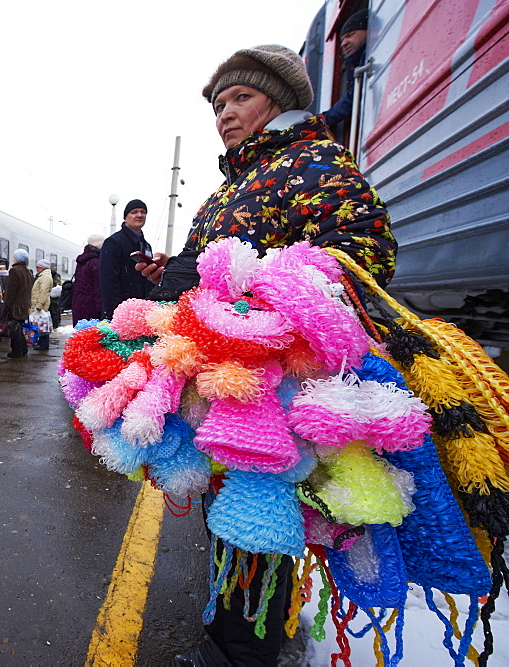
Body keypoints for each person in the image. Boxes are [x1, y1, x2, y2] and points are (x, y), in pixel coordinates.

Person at [140, 45, 395, 666]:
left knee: (256, 517)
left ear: (276, 104)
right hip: (219, 379)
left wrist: (253, 304)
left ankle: (239, 654)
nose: (224, 114)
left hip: (266, 391)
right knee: (230, 516)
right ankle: (250, 641)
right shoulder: (241, 182)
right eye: (219, 103)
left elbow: (365, 253)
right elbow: (202, 260)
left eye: (240, 99)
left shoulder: (310, 162)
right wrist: (166, 286)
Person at [99, 199, 154, 318]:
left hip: (142, 310)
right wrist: (116, 311)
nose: (139, 215)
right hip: (120, 312)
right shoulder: (113, 242)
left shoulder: (146, 245)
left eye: (143, 212)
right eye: (134, 212)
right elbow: (108, 280)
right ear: (125, 218)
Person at [321, 9, 368, 134]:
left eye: (350, 35)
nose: (343, 43)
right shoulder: (357, 63)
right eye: (342, 39)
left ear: (368, 30)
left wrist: (323, 119)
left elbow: (353, 97)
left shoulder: (366, 59)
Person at [3, 249, 33, 358]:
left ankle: (17, 351)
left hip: (15, 305)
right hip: (23, 305)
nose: (13, 259)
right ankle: (23, 349)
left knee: (15, 328)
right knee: (19, 327)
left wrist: (6, 306)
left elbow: (10, 291)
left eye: (14, 257)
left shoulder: (14, 271)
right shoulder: (28, 271)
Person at [71, 233, 105, 323]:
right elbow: (99, 289)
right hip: (92, 307)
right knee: (92, 334)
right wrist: (102, 311)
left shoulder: (82, 262)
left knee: (81, 333)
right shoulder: (97, 263)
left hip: (79, 304)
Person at [30, 258, 53, 350]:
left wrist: (39, 305)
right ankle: (41, 343)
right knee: (41, 324)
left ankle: (43, 344)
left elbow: (44, 291)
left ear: (41, 267)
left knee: (43, 325)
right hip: (40, 304)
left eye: (37, 267)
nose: (36, 269)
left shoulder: (45, 277)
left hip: (41, 305)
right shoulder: (43, 276)